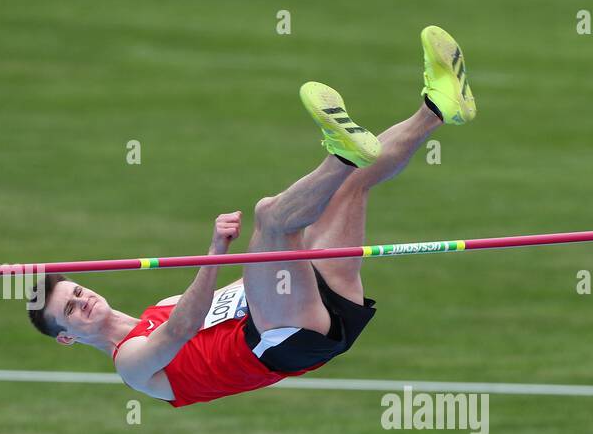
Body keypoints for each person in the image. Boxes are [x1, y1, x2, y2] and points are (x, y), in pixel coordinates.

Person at [27, 25, 475, 407]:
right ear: (66, 337)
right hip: (286, 338)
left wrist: (283, 256)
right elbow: (182, 326)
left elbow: (244, 291)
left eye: (78, 290)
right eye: (70, 309)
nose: (83, 300)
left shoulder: (155, 309)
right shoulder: (130, 363)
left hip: (310, 306)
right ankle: (341, 153)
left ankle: (437, 108)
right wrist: (217, 251)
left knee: (350, 187)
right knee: (272, 217)